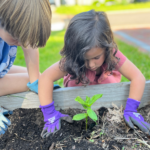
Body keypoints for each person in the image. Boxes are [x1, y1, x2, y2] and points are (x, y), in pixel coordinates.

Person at [38, 10, 150, 138]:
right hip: (78, 87)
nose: (91, 64)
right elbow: (45, 77)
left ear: (107, 47)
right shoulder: (72, 59)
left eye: (96, 57)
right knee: (74, 90)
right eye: (84, 59)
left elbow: (138, 77)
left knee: (110, 87)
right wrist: (50, 114)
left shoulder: (112, 53)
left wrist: (131, 109)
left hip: (105, 86)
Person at [0, 0, 52, 136]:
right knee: (24, 81)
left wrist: (37, 82)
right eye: (17, 39)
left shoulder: (13, 25)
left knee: (34, 77)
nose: (23, 43)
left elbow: (30, 50)